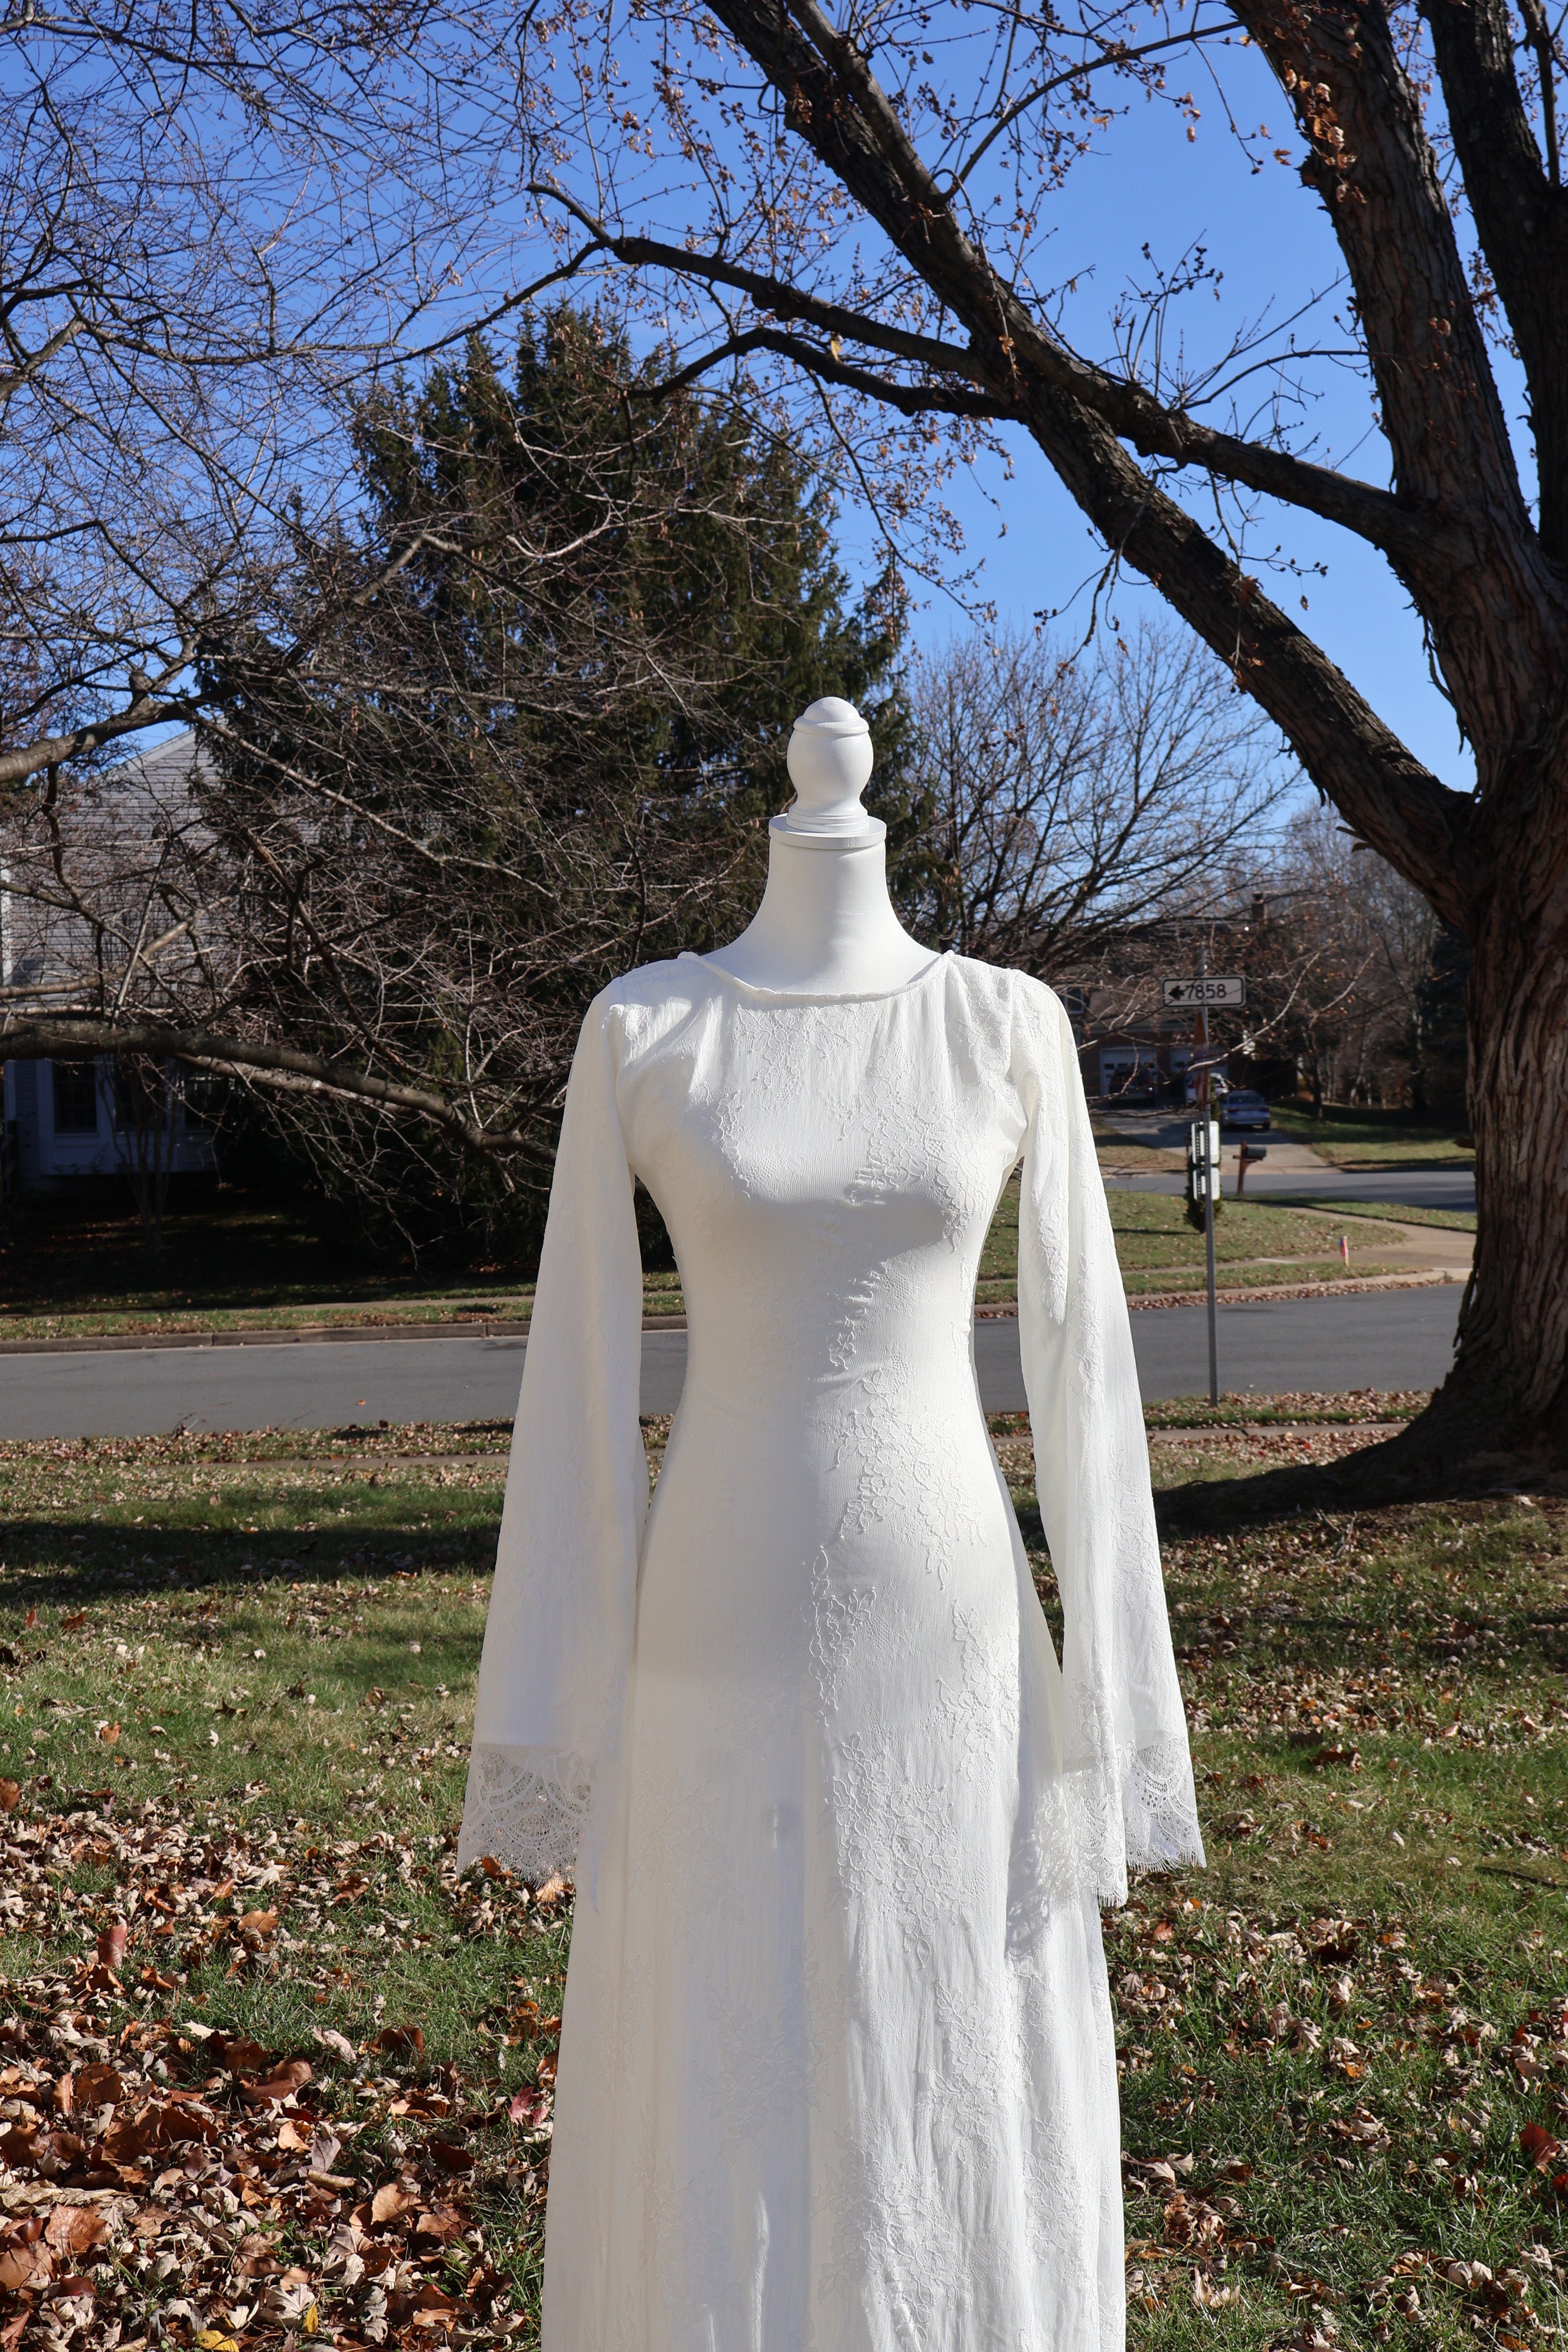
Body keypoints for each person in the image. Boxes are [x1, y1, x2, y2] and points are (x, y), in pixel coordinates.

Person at [459, 697, 1203, 2352]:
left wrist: (1118, 1712)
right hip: (709, 1613)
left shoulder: (1007, 1029)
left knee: (949, 2024)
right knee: (723, 2021)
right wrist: (554, 1708)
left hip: (951, 1621)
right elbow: (579, 1374)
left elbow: (1086, 1374)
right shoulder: (645, 1031)